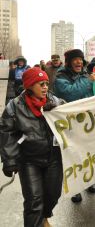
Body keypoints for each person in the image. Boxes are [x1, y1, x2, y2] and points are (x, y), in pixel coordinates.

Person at [0, 67, 65, 227]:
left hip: (53, 159)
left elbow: (74, 118)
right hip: (28, 161)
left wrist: (57, 112)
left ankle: (44, 217)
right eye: (40, 84)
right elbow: (6, 132)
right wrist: (9, 160)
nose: (45, 88)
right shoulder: (14, 106)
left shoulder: (56, 102)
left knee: (53, 195)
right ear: (29, 85)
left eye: (46, 84)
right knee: (34, 201)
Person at [53, 49, 95, 203]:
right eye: (75, 59)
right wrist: (89, 81)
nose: (79, 62)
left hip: (87, 122)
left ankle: (89, 180)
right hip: (69, 123)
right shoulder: (60, 77)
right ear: (68, 62)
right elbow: (70, 93)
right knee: (72, 155)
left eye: (81, 59)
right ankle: (75, 188)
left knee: (88, 153)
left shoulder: (86, 75)